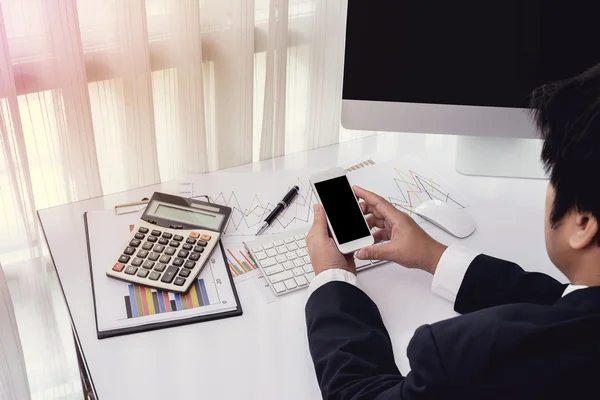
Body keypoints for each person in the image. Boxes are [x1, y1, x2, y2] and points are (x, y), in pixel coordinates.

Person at [304, 63, 600, 399]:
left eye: (555, 176)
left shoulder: (463, 357)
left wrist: (332, 280)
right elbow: (567, 303)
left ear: (584, 224)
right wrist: (434, 256)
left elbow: (359, 394)